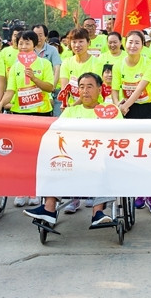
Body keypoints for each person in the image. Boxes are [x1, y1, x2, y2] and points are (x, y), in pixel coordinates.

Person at [24, 72, 121, 228]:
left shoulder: (110, 111)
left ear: (99, 89)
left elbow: (119, 137)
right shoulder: (70, 112)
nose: (85, 91)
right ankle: (49, 208)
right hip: (73, 159)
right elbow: (57, 135)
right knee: (52, 161)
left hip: (99, 159)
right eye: (81, 87)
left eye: (89, 87)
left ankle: (98, 213)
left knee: (107, 163)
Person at [0, 31, 55, 208]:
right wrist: (0, 104)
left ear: (35, 45)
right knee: (21, 155)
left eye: (27, 43)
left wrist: (34, 78)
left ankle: (36, 191)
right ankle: (22, 190)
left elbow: (50, 87)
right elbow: (10, 91)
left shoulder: (44, 64)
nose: (23, 47)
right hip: (20, 114)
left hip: (41, 113)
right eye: (20, 43)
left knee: (38, 154)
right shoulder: (15, 67)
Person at [113, 30, 151, 214]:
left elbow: (140, 89)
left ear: (143, 46)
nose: (133, 46)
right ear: (124, 44)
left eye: (137, 43)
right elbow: (114, 89)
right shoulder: (118, 65)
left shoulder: (149, 63)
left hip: (148, 109)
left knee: (149, 153)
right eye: (130, 42)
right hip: (128, 111)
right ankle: (139, 192)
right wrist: (118, 105)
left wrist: (125, 105)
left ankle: (150, 195)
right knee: (133, 153)